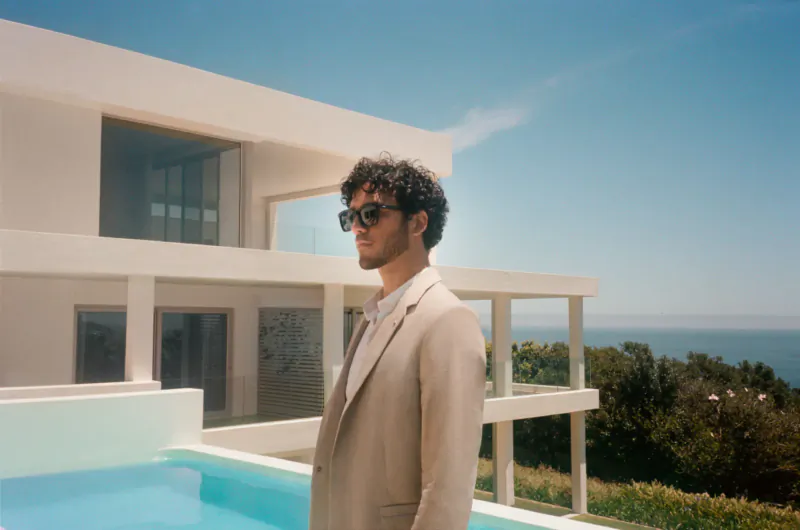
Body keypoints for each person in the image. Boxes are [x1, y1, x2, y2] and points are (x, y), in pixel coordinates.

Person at [309, 154, 487, 530]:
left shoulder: (448, 320)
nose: (357, 228)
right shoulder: (371, 318)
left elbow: (448, 488)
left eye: (371, 214)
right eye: (350, 217)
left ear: (418, 222)